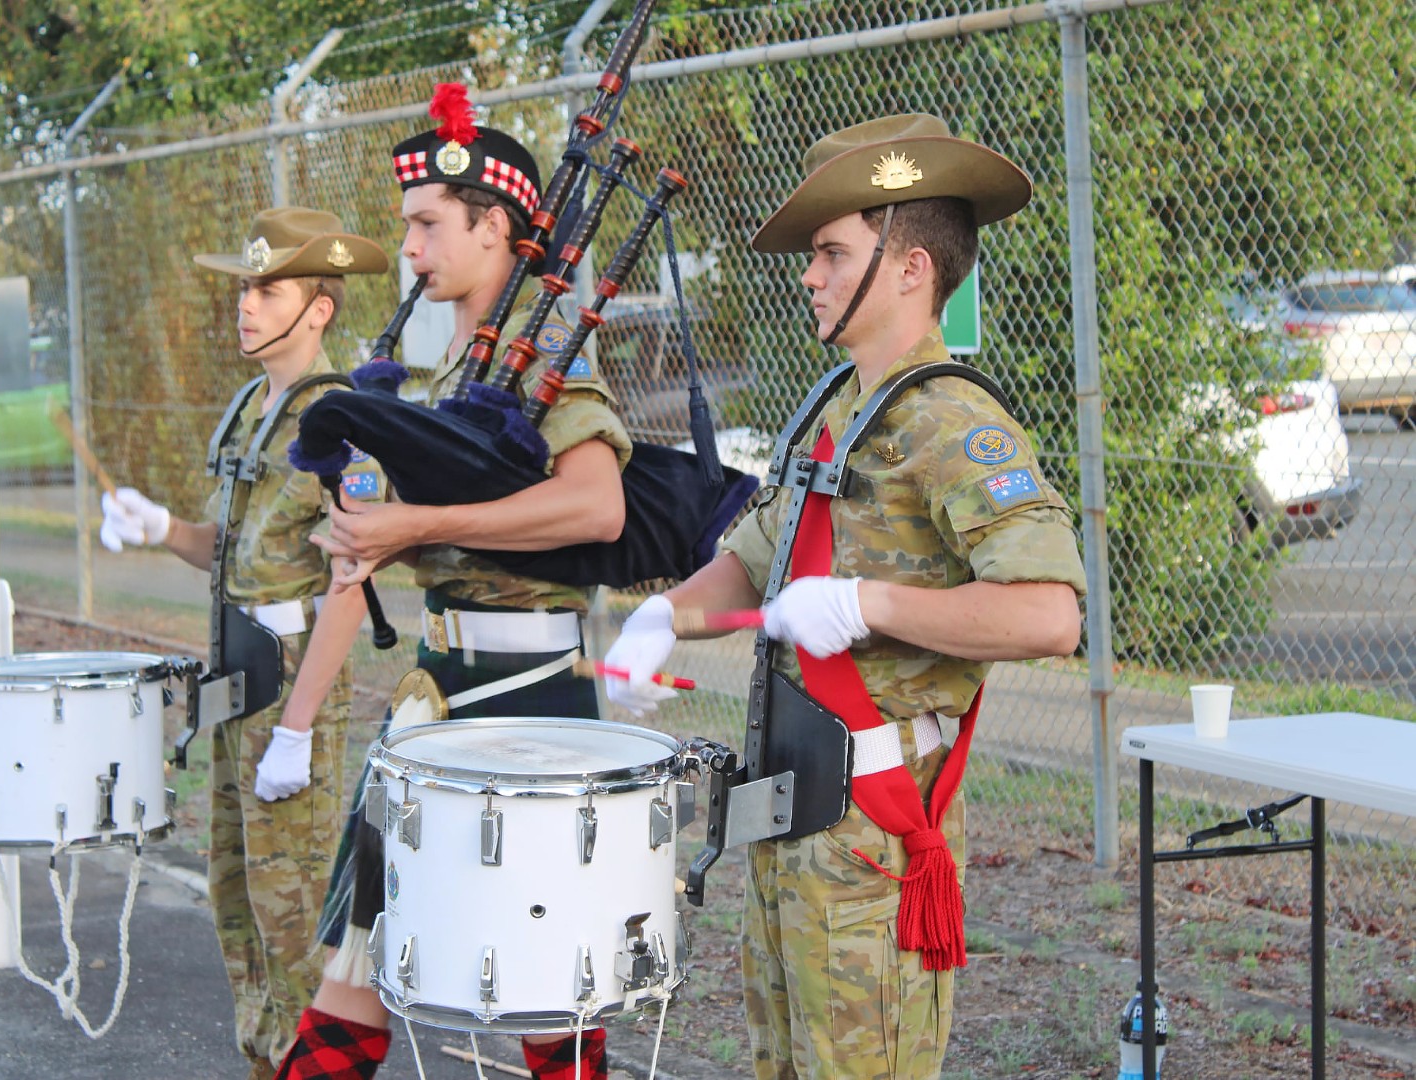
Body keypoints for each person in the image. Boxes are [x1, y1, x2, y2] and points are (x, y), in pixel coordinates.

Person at [602, 114, 1087, 1079]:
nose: (810, 275)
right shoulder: (840, 409)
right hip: (796, 823)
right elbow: (751, 559)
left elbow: (1050, 615)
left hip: (874, 836)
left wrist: (873, 605)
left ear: (910, 268)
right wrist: (657, 622)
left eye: (832, 252)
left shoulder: (950, 420)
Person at [273, 84, 632, 1080]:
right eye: (407, 228)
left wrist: (418, 522)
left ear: (496, 224)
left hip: (534, 706)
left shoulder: (554, 355)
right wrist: (373, 535)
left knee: (548, 981)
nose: (413, 248)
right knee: (352, 968)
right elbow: (426, 534)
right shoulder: (439, 377)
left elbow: (595, 509)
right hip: (433, 696)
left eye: (429, 225)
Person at [98, 206, 390, 1079]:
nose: (246, 305)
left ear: (320, 308)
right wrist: (163, 529)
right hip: (233, 687)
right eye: (245, 288)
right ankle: (266, 1064)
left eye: (268, 289)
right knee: (235, 904)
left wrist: (298, 729)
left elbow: (353, 581)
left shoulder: (348, 420)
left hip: (290, 693)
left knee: (292, 916)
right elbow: (231, 556)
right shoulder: (250, 407)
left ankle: (309, 1065)